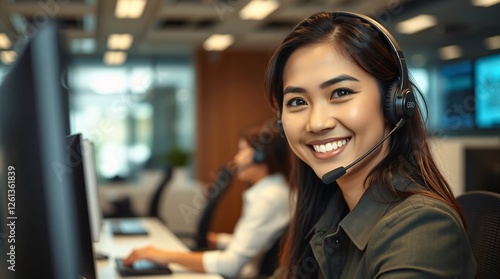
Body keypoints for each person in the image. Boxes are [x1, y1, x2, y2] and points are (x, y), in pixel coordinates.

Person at [264, 11, 476, 279]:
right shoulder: (330, 213)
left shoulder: (419, 227)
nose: (316, 123)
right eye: (297, 102)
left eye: (340, 93)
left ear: (394, 104)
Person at [124, 120, 294, 278]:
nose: (236, 159)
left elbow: (232, 264)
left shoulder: (268, 198)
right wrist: (219, 240)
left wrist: (167, 256)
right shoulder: (274, 191)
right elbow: (254, 245)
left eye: (242, 150)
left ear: (260, 156)